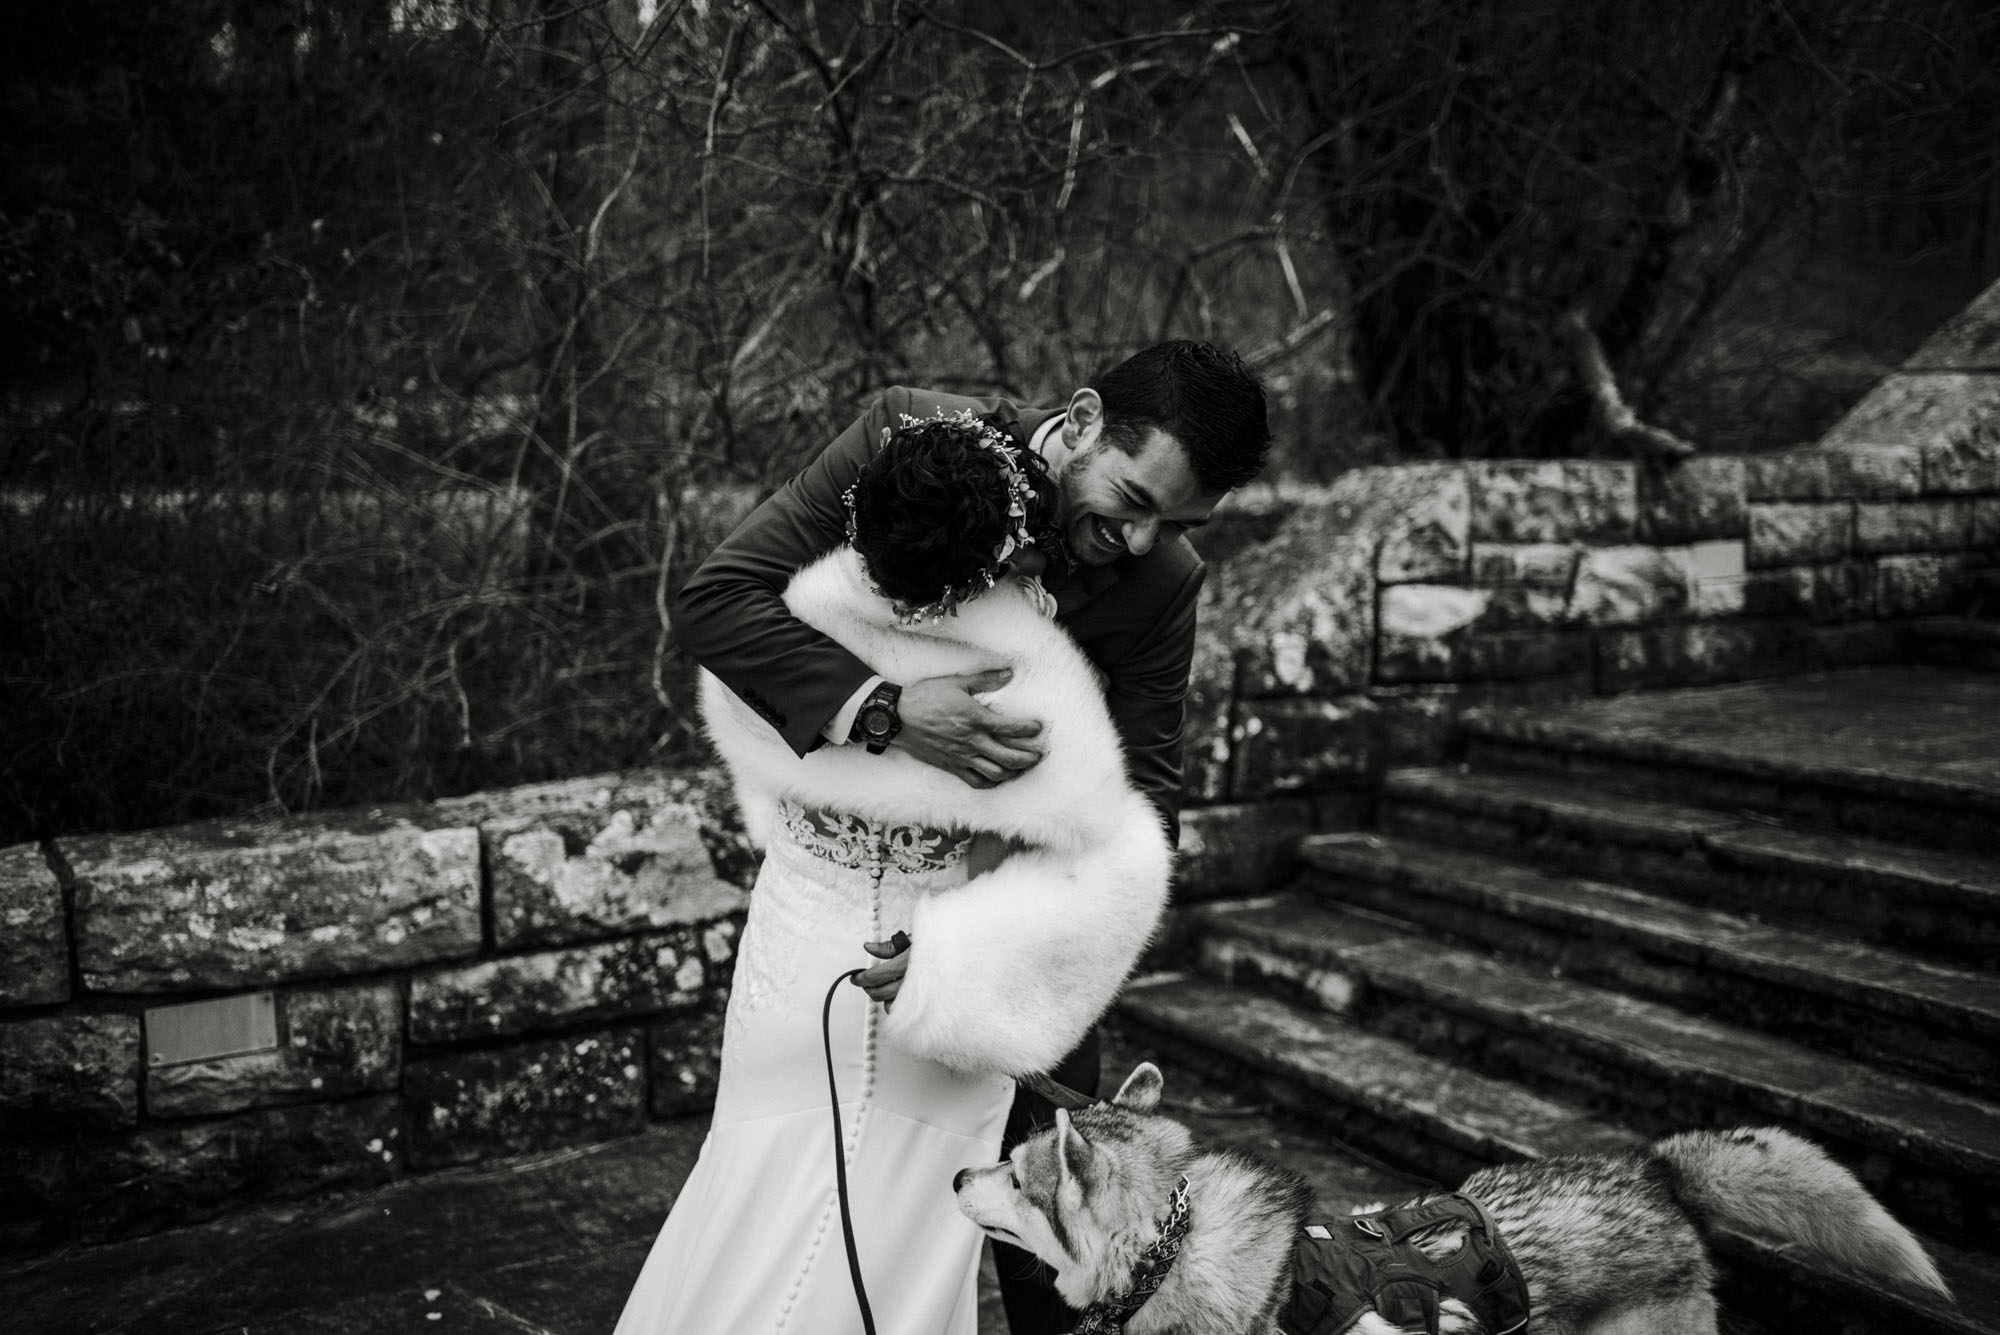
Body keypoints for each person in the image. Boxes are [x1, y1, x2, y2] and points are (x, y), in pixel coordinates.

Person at [667, 340, 1271, 1333]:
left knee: (1067, 1212)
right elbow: (716, 602)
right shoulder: (903, 434)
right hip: (831, 895)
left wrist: (987, 951)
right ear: (1078, 422)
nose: (1136, 541)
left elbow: (1144, 801)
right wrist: (883, 710)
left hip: (1002, 919)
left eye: (1174, 522)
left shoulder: (1163, 579)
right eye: (1130, 500)